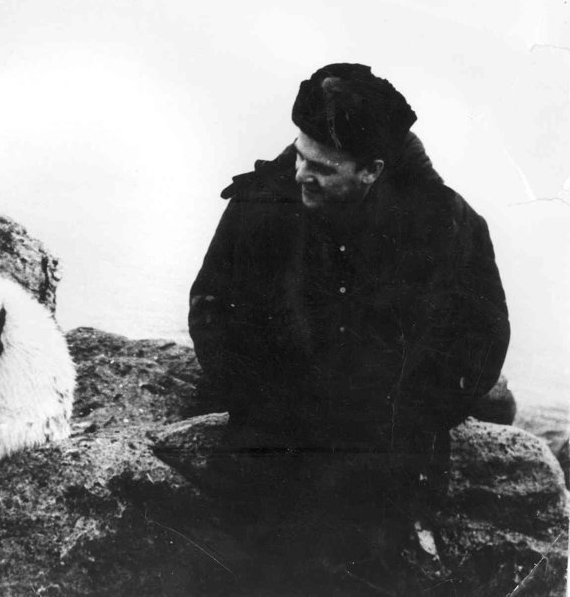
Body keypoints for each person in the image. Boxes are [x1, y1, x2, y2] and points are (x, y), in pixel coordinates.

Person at [188, 63, 510, 540]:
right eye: (299, 156)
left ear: (371, 172)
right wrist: (256, 399)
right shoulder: (260, 204)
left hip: (380, 456)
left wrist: (412, 420)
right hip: (266, 442)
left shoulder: (449, 228)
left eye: (321, 168)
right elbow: (210, 306)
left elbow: (482, 341)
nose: (300, 175)